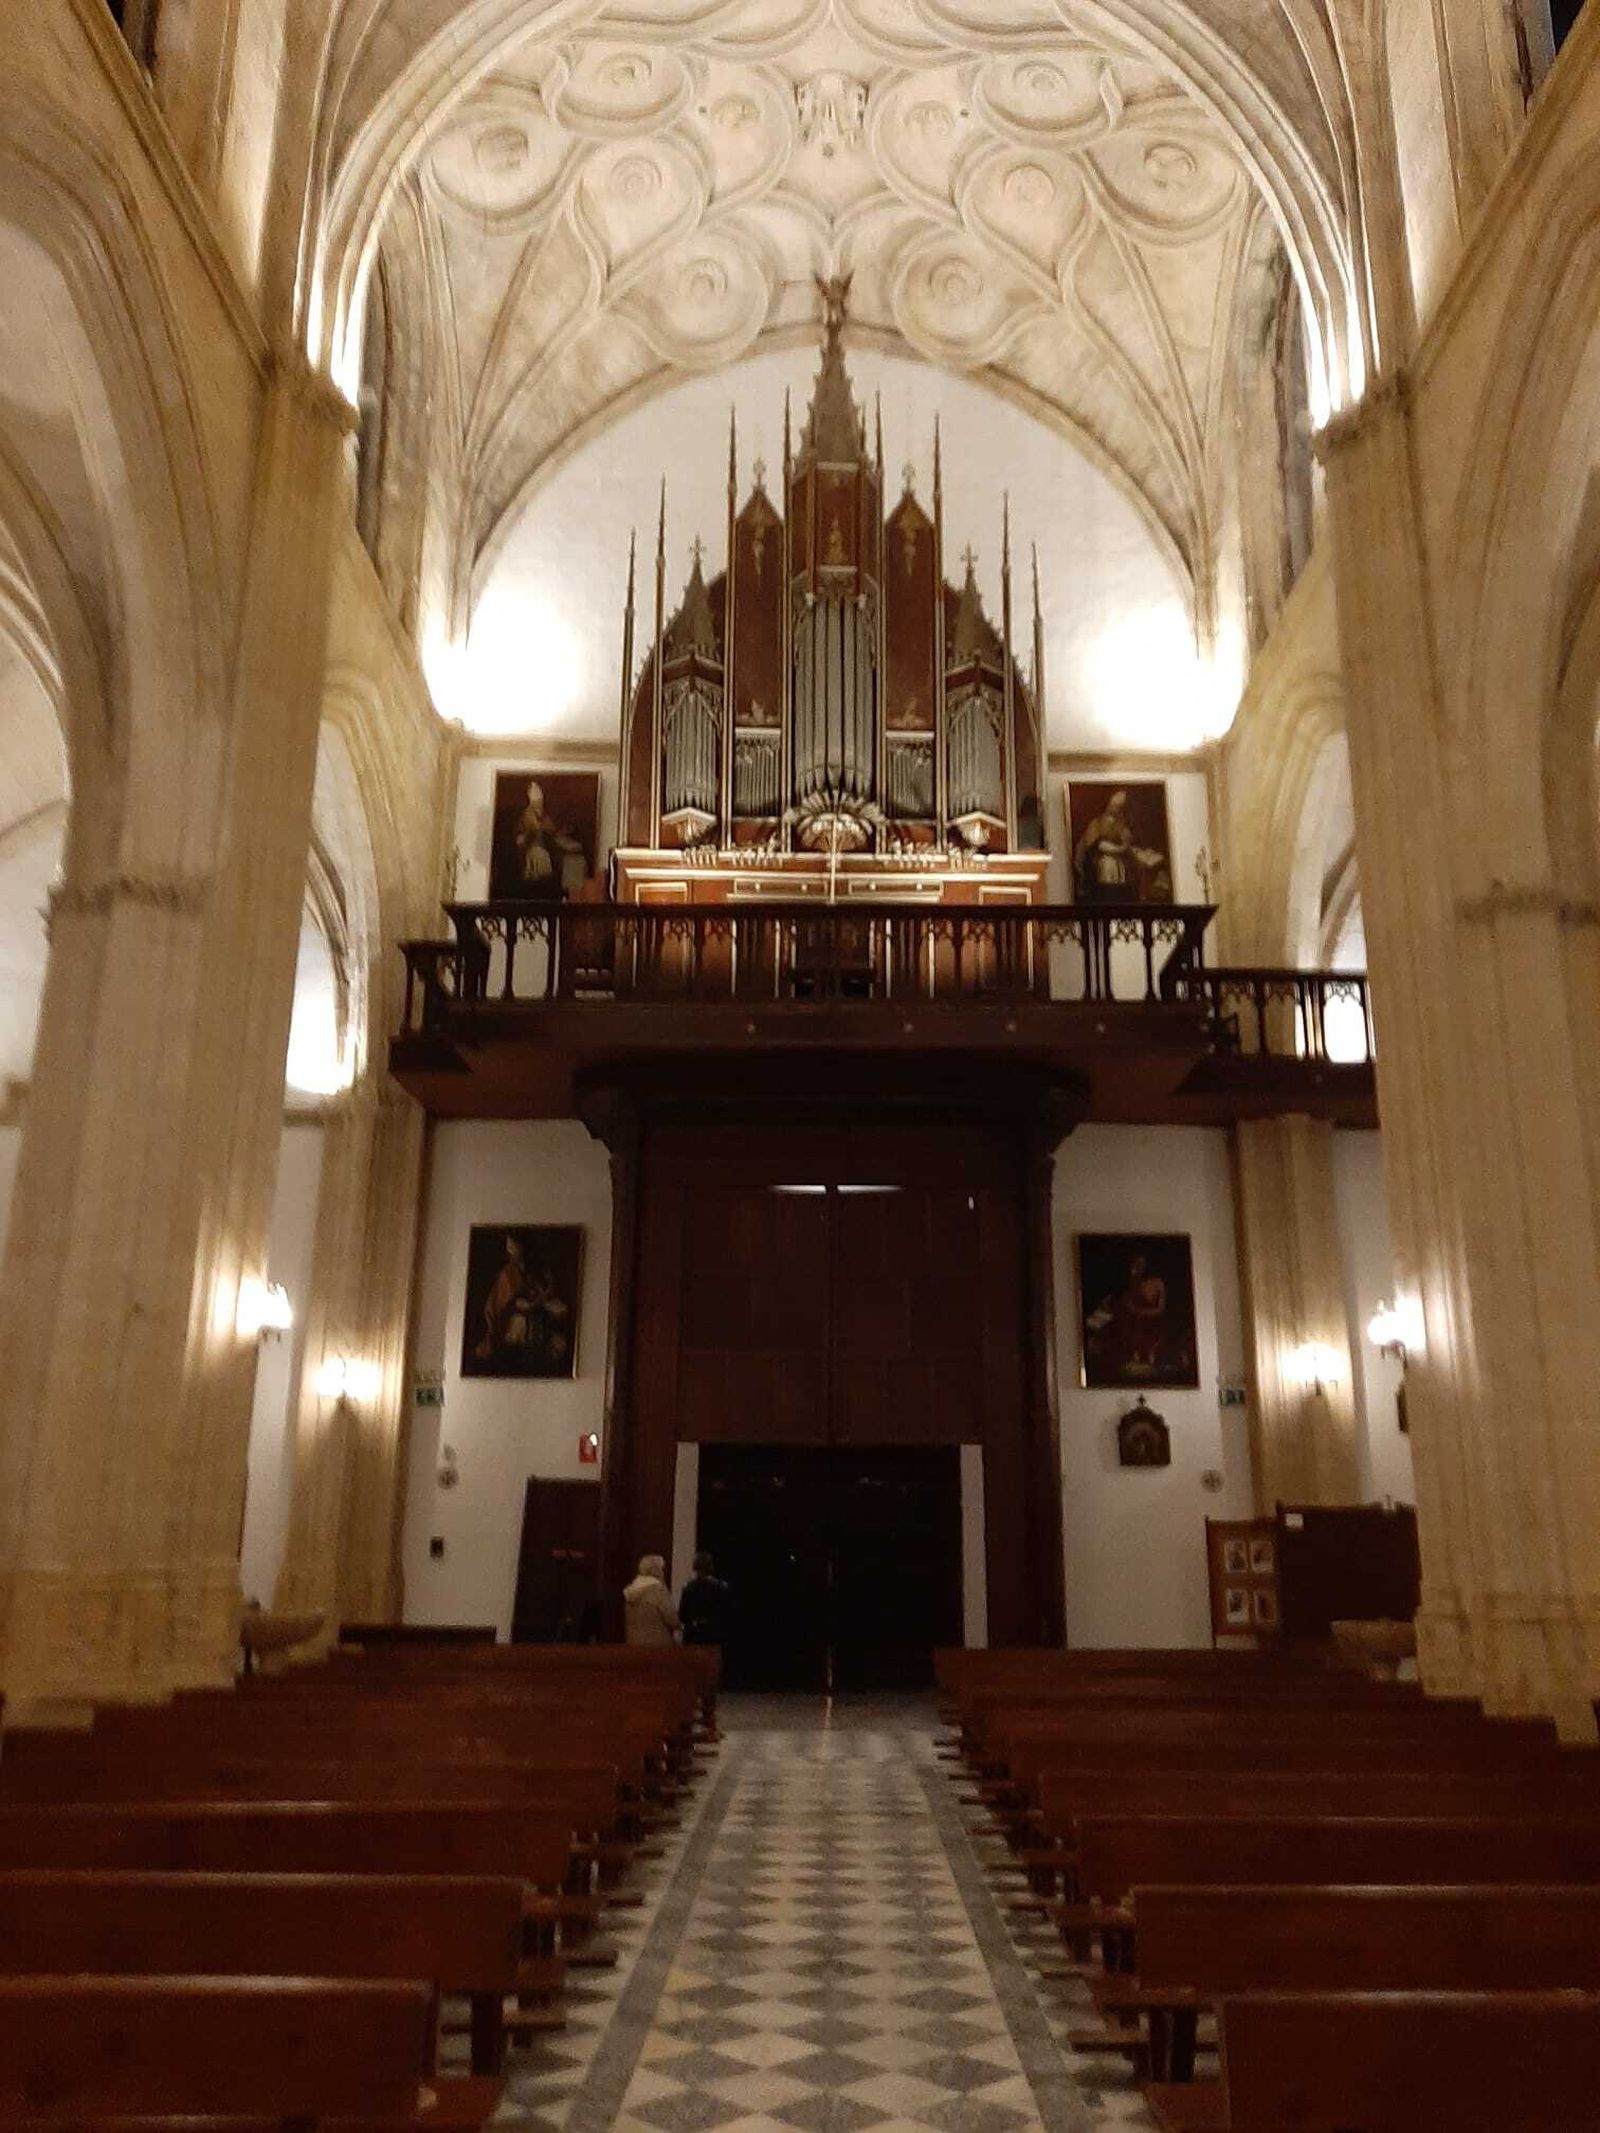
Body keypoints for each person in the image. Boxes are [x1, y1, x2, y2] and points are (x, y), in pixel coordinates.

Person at [623, 1554, 680, 1647]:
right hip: (657, 1645)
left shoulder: (631, 1591)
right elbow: (672, 1619)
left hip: (634, 1644)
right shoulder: (658, 1590)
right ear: (656, 1570)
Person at [678, 1551, 730, 1649]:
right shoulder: (722, 1587)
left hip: (693, 1635)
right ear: (711, 1567)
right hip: (715, 1635)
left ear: (695, 1567)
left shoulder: (688, 1587)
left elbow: (682, 1615)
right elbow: (726, 1613)